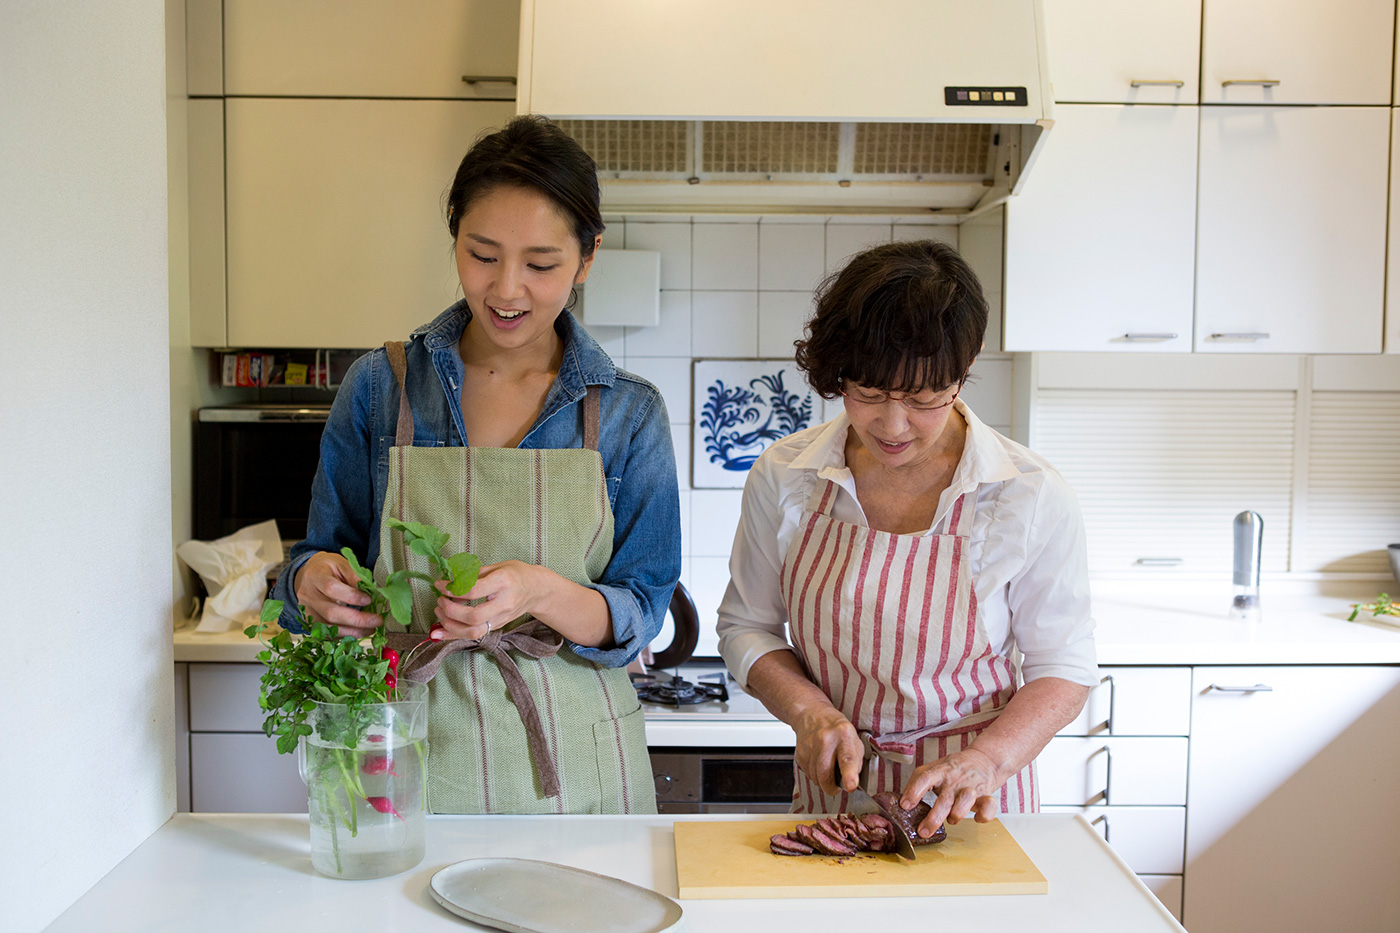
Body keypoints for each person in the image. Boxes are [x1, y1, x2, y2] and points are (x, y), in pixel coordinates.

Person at [270, 114, 681, 814]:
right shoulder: (381, 388)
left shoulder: (627, 412)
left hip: (576, 771)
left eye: (542, 264)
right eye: (482, 254)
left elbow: (642, 612)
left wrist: (536, 590)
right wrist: (310, 583)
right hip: (406, 752)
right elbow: (314, 562)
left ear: (587, 258)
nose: (507, 289)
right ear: (454, 237)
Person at [716, 239, 1096, 838]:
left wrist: (986, 761)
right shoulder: (786, 475)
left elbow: (1064, 666)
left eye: (923, 400)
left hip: (975, 808)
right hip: (835, 796)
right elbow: (747, 627)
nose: (892, 426)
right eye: (867, 393)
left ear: (962, 376)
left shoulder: (1028, 493)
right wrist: (809, 712)